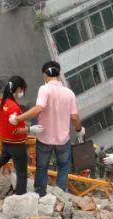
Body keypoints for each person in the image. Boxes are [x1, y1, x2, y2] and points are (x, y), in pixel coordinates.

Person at [10, 61, 82, 197]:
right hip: (63, 140)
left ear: (45, 74)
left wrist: (18, 118)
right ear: (59, 74)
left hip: (45, 138)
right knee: (63, 168)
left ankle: (40, 193)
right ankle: (60, 195)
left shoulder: (44, 89)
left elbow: (38, 108)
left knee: (42, 167)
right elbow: (74, 117)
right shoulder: (69, 93)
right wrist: (79, 129)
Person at [0, 76, 37, 195]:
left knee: (3, 157)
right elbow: (16, 131)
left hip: (4, 140)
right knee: (21, 171)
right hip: (16, 144)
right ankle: (20, 194)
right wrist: (30, 129)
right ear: (18, 89)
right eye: (22, 90)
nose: (22, 93)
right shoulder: (14, 108)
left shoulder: (0, 101)